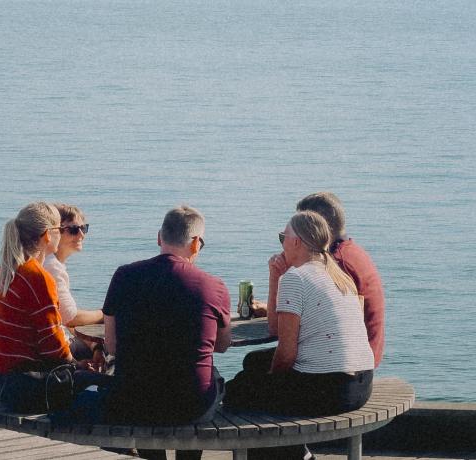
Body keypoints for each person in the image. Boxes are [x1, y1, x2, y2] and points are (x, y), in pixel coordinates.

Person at [69, 206, 230, 460]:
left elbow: (112, 346)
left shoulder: (124, 276)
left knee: (142, 381)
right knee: (210, 374)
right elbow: (221, 345)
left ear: (159, 237)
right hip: (191, 405)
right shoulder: (214, 286)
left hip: (134, 401)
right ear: (196, 244)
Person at [224, 211, 375, 459]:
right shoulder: (339, 275)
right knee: (253, 362)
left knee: (237, 392)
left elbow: (286, 354)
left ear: (296, 242)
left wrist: (269, 383)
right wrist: (275, 277)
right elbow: (276, 330)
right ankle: (295, 452)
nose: (281, 242)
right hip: (361, 383)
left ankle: (294, 454)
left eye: (282, 236)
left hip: (329, 389)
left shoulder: (297, 278)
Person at [0, 202, 96, 413]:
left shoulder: (5, 270)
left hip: (4, 382)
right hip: (28, 388)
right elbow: (52, 345)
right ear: (47, 236)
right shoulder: (37, 277)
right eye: (58, 230)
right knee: (108, 387)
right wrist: (76, 365)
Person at [255, 192, 385, 368]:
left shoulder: (337, 264)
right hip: (361, 359)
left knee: (254, 371)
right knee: (255, 363)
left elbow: (278, 330)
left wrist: (278, 278)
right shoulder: (353, 253)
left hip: (339, 363)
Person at [43, 204, 104, 361]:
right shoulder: (51, 267)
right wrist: (104, 314)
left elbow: (65, 319)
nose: (81, 235)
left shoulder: (52, 263)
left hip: (47, 345)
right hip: (49, 351)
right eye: (74, 230)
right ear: (55, 232)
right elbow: (71, 318)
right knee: (112, 344)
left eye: (84, 228)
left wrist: (94, 345)